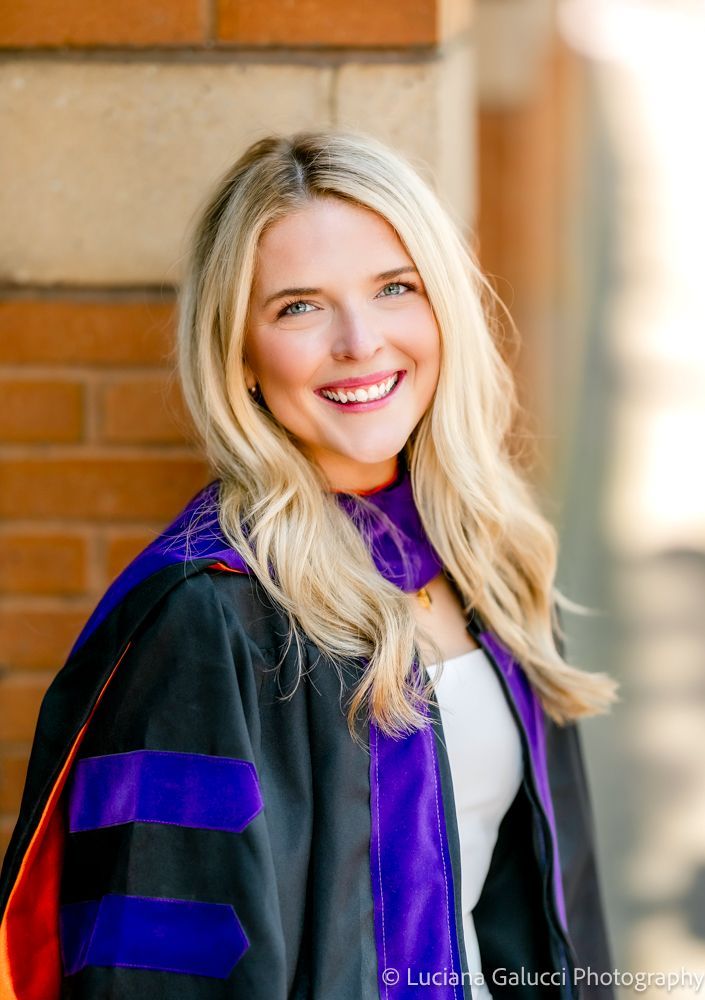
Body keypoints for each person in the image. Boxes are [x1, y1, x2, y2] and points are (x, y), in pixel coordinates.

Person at [0, 128, 619, 999]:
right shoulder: (210, 618)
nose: (360, 341)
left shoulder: (488, 559)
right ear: (240, 355)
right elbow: (160, 973)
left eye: (394, 288)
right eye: (299, 306)